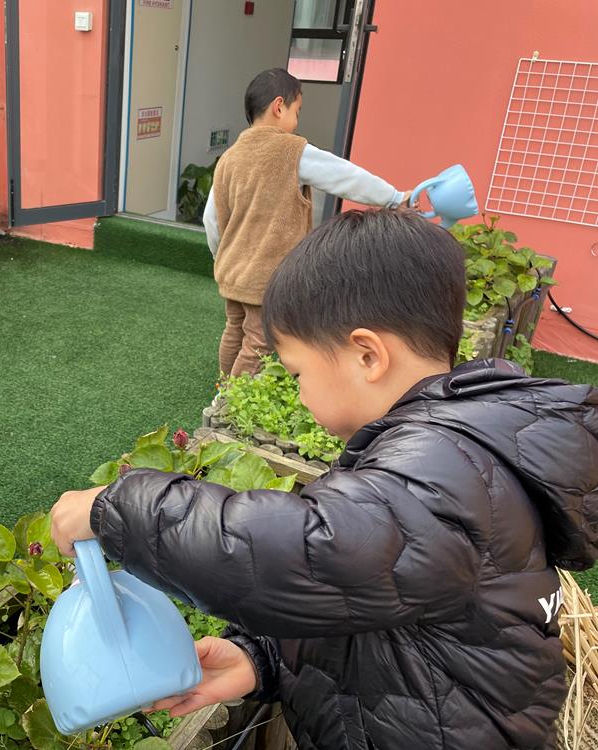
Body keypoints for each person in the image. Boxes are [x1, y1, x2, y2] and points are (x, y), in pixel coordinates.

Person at [50, 209, 598, 750]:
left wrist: (117, 508)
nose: (300, 393)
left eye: (298, 373)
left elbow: (312, 550)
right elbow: (377, 611)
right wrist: (260, 659)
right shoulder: (446, 450)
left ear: (367, 355)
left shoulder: (443, 467)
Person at [205, 68, 410, 377]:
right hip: (266, 277)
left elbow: (211, 219)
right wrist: (393, 197)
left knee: (235, 329)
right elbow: (344, 176)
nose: (296, 121)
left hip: (232, 270)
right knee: (259, 342)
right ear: (279, 107)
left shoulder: (229, 158)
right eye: (296, 111)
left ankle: (223, 386)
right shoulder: (291, 151)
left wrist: (222, 256)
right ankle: (234, 398)